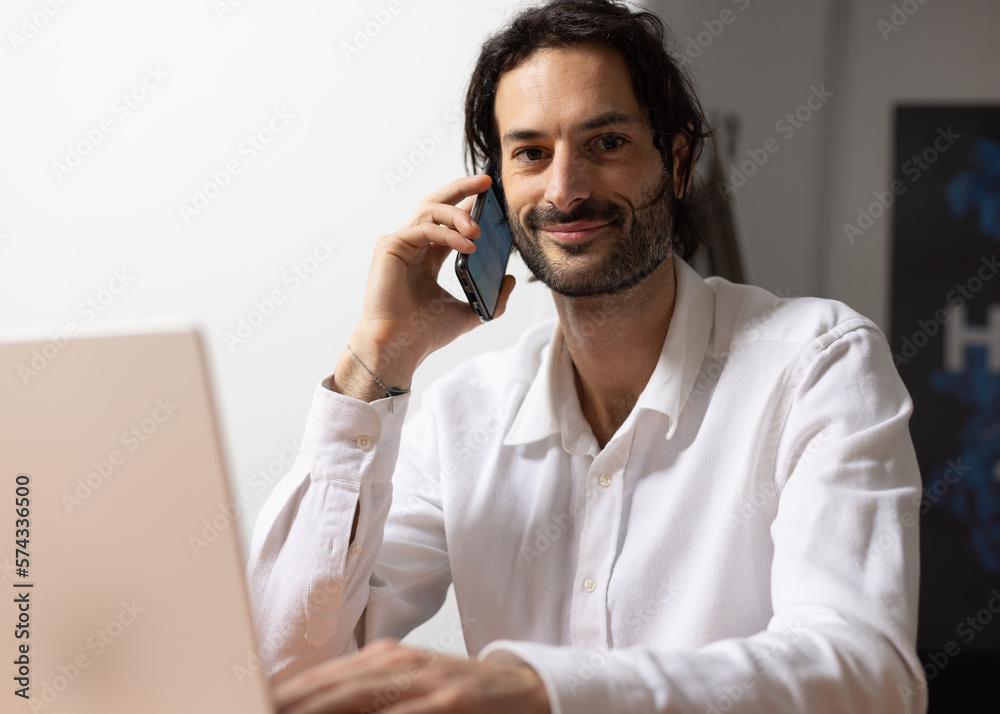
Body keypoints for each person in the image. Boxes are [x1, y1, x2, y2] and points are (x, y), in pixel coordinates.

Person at [246, 1, 927, 712]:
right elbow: (286, 664)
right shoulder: (463, 418)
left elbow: (864, 674)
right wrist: (376, 361)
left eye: (605, 142)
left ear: (680, 159)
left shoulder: (818, 364)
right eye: (531, 153)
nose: (565, 189)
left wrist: (546, 691)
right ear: (497, 195)